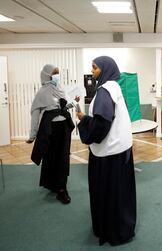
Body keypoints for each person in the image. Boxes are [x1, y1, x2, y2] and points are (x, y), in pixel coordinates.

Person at [76, 56, 137, 246]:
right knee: (119, 193)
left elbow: (101, 125)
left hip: (108, 154)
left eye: (95, 68)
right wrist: (88, 118)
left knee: (108, 193)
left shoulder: (104, 91)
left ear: (105, 69)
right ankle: (121, 227)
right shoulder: (116, 87)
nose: (93, 72)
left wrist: (85, 122)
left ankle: (110, 230)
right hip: (121, 149)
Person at [27, 64, 78, 204]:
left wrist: (74, 102)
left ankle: (61, 188)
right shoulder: (42, 93)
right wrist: (32, 135)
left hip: (64, 128)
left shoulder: (60, 89)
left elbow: (64, 107)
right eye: (54, 73)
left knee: (62, 157)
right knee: (50, 156)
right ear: (47, 75)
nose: (57, 76)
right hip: (50, 129)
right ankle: (51, 183)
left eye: (58, 73)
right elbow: (35, 114)